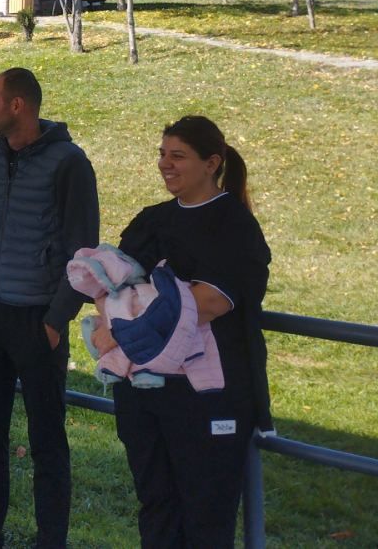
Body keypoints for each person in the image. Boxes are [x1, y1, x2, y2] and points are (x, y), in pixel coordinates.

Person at [97, 116, 271, 548]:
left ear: (212, 163)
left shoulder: (235, 226)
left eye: (178, 156)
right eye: (161, 154)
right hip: (145, 394)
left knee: (205, 519)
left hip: (209, 399)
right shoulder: (151, 221)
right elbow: (109, 285)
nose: (165, 164)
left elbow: (206, 303)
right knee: (157, 509)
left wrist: (122, 328)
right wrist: (114, 321)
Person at [0, 67, 98, 549]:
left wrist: (56, 322)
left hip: (37, 322)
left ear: (18, 106)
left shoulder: (69, 163)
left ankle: (50, 541)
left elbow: (83, 248)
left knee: (47, 442)